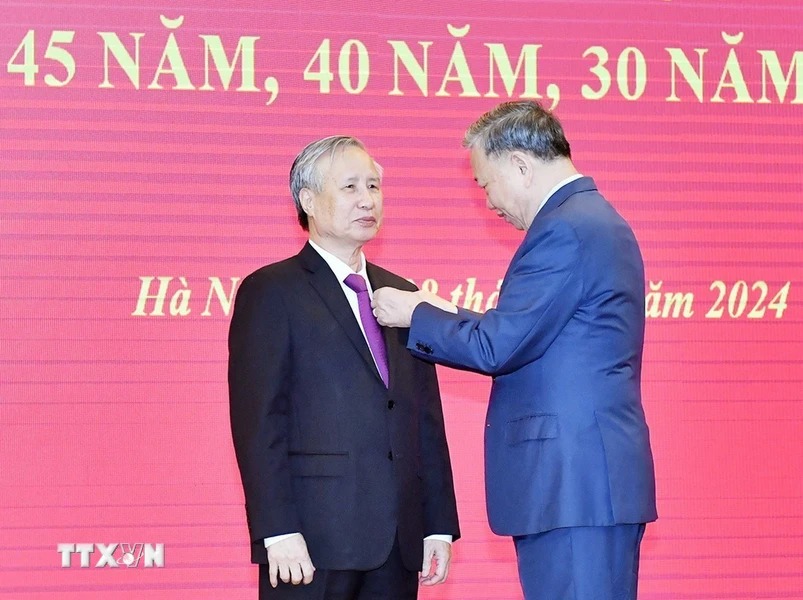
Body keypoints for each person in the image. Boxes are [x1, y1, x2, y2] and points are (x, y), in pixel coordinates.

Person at [372, 101, 657, 600]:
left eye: (485, 184)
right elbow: (531, 334)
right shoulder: (590, 219)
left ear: (520, 165)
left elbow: (499, 347)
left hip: (573, 489)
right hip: (585, 487)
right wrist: (447, 309)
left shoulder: (565, 230)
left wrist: (414, 313)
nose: (488, 201)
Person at [228, 135, 460, 600]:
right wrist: (276, 530)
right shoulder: (271, 291)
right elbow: (259, 423)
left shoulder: (402, 293)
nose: (367, 200)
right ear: (308, 200)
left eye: (373, 187)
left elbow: (423, 416)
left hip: (398, 539)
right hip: (313, 540)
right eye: (350, 187)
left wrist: (437, 524)